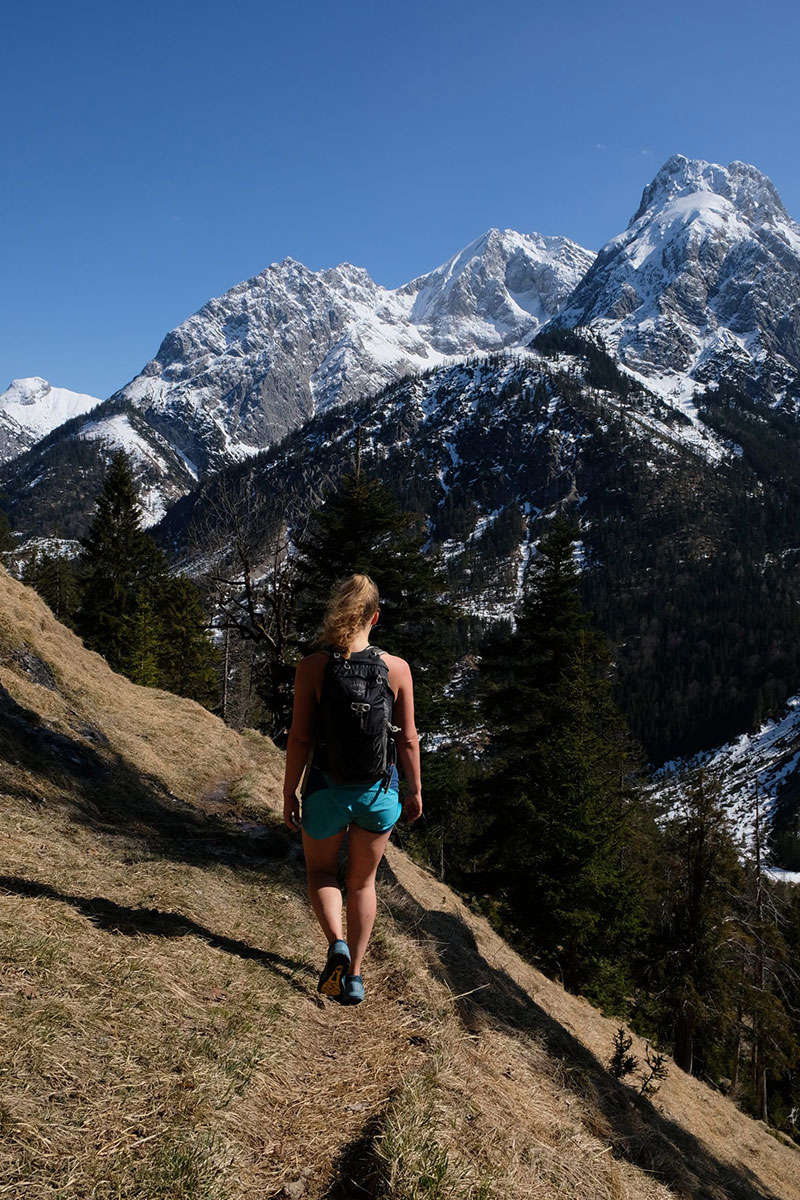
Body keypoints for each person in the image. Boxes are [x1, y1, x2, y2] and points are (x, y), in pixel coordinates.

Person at [282, 573, 422, 1005]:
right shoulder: (396, 669)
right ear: (375, 617)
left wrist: (289, 792)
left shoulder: (312, 668)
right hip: (379, 795)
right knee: (362, 884)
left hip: (326, 790)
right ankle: (356, 977)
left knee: (322, 873)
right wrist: (414, 791)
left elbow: (301, 738)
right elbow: (408, 739)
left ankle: (336, 945)